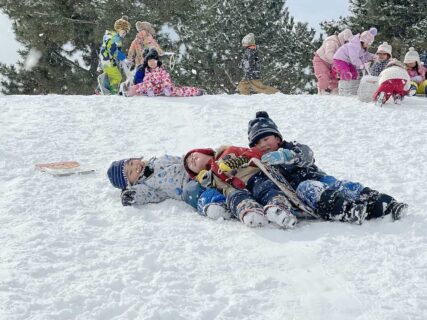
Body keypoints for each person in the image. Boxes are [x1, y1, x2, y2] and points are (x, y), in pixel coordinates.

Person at [248, 111, 408, 223]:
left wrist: (287, 156)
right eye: (258, 143)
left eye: (266, 139)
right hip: (302, 190)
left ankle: (383, 203)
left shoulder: (292, 147)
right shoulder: (264, 164)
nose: (263, 145)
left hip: (320, 177)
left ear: (277, 137)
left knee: (343, 185)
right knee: (308, 187)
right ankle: (348, 210)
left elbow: (308, 155)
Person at [183, 146, 305, 229]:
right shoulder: (205, 180)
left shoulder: (227, 151)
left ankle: (279, 206)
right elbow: (208, 196)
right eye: (189, 163)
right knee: (235, 199)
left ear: (205, 152)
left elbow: (255, 153)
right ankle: (249, 211)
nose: (191, 159)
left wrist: (239, 160)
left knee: (265, 188)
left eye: (193, 155)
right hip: (233, 190)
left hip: (252, 176)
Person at [107, 155, 229, 219]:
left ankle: (231, 165)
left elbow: (180, 160)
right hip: (190, 187)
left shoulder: (159, 160)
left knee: (211, 166)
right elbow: (147, 195)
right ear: (131, 183)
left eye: (131, 163)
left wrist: (189, 160)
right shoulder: (146, 185)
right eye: (130, 173)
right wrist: (130, 194)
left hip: (193, 171)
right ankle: (217, 205)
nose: (134, 167)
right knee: (191, 192)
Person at [127, 48, 203, 97]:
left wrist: (166, 86)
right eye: (149, 61)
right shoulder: (147, 70)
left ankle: (195, 91)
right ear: (147, 62)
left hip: (164, 88)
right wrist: (149, 88)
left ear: (157, 61)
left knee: (178, 90)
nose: (152, 63)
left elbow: (166, 78)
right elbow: (146, 80)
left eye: (153, 61)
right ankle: (128, 91)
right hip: (153, 88)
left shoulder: (161, 70)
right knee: (140, 86)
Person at [313, 29, 353, 94]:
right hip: (321, 60)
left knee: (335, 76)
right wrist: (338, 62)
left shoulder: (342, 47)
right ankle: (322, 90)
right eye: (346, 42)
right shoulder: (332, 41)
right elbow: (329, 53)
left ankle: (334, 90)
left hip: (332, 63)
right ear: (342, 38)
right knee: (323, 76)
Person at [99, 16, 131, 94]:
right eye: (123, 32)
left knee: (112, 75)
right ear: (119, 29)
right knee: (116, 77)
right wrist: (123, 58)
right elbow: (112, 50)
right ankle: (113, 92)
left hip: (108, 61)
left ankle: (101, 88)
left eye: (126, 33)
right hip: (107, 61)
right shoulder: (112, 38)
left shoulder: (116, 39)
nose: (124, 34)